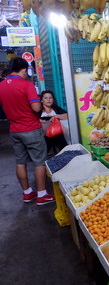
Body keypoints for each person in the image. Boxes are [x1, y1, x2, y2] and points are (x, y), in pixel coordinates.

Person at [0, 58, 55, 205]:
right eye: (26, 72)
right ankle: (42, 194)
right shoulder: (27, 85)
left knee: (20, 161)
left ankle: (27, 192)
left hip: (14, 129)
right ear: (23, 70)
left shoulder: (2, 85)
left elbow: (5, 108)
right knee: (39, 162)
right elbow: (36, 108)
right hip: (30, 128)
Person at [40, 90, 68, 155]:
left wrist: (56, 116)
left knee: (62, 140)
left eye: (50, 98)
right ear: (41, 100)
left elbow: (67, 115)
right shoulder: (39, 111)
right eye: (46, 98)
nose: (48, 100)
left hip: (57, 134)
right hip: (44, 136)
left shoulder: (56, 109)